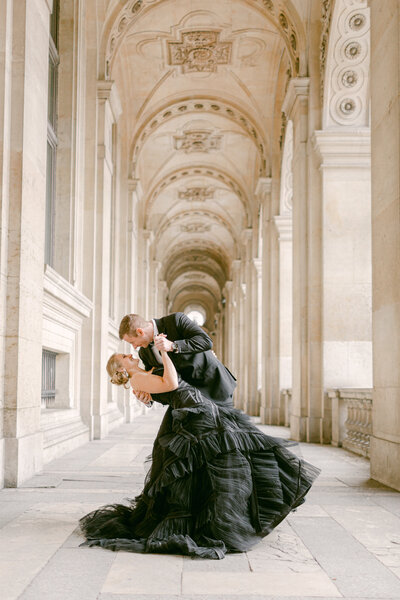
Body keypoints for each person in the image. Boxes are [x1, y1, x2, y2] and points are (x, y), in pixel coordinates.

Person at [79, 343, 321, 559]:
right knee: (221, 459)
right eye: (124, 356)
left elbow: (167, 386)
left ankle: (240, 515)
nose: (130, 354)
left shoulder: (143, 373)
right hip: (193, 413)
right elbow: (171, 383)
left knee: (238, 449)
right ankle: (223, 524)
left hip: (201, 407)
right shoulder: (137, 379)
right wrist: (164, 352)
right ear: (121, 368)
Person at [118, 312, 236, 408]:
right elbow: (158, 382)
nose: (134, 347)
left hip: (214, 386)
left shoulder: (176, 320)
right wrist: (148, 400)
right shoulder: (144, 353)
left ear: (140, 332)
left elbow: (206, 341)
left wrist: (173, 346)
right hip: (189, 401)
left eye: (132, 342)